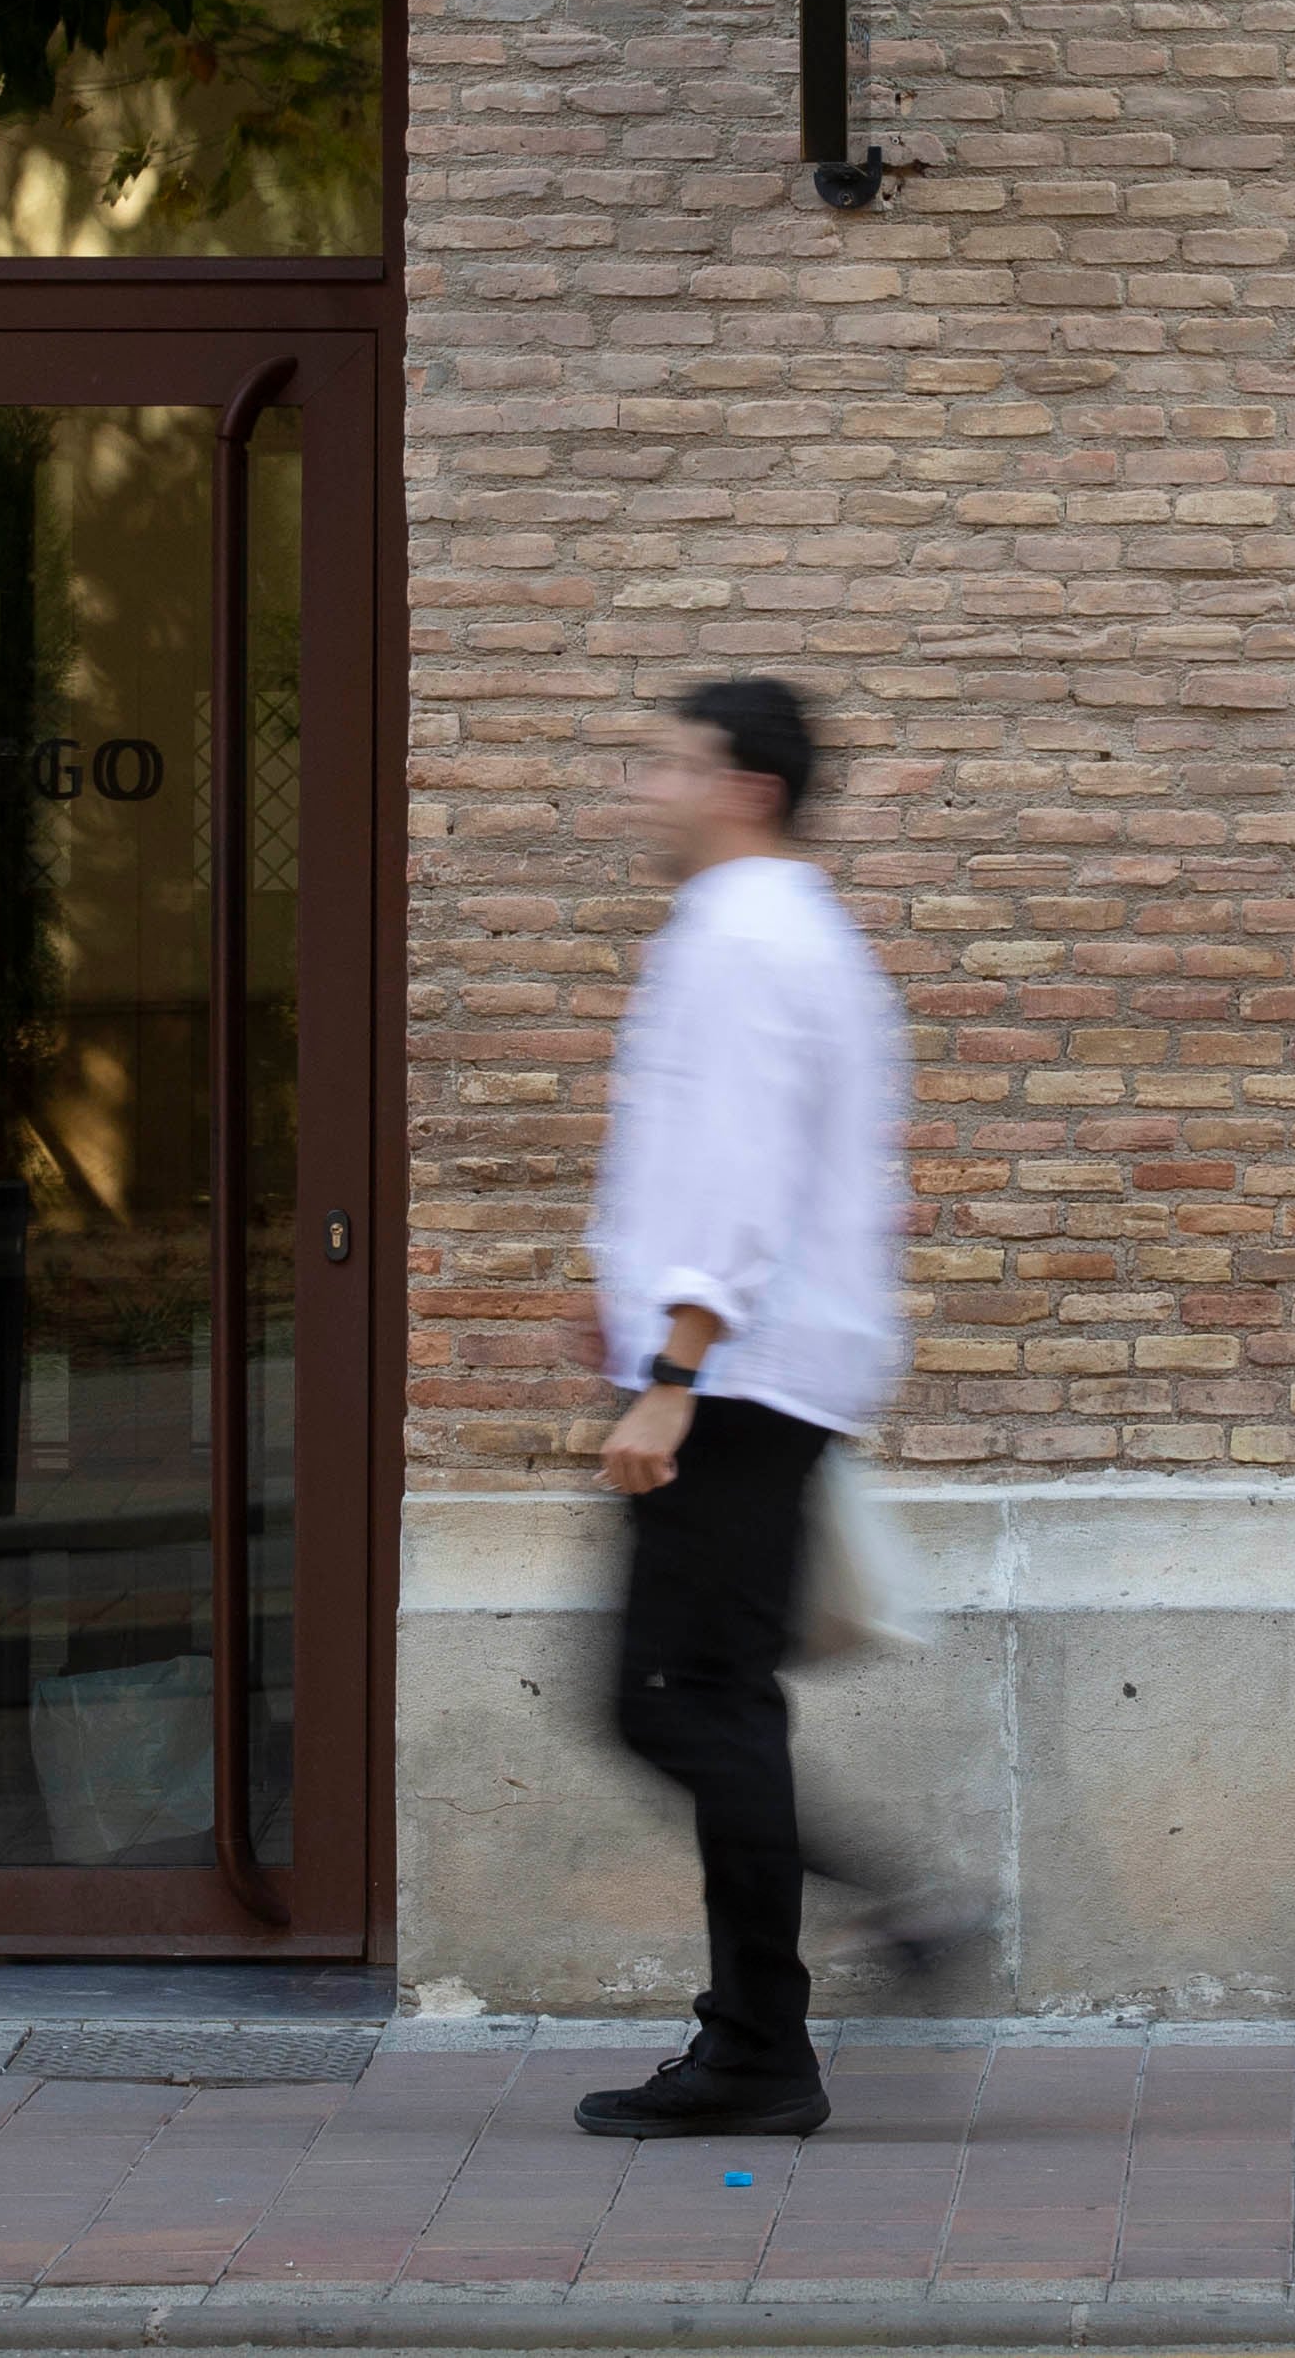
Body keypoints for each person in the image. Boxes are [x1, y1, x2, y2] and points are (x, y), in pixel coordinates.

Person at [570, 676, 951, 2141]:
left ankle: (849, 1954)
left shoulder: (739, 939)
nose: (640, 790)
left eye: (666, 764)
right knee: (713, 1698)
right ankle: (757, 2040)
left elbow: (736, 1170)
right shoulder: (796, 934)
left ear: (746, 788)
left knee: (668, 1701)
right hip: (753, 1368)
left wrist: (671, 1369)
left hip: (733, 1379)